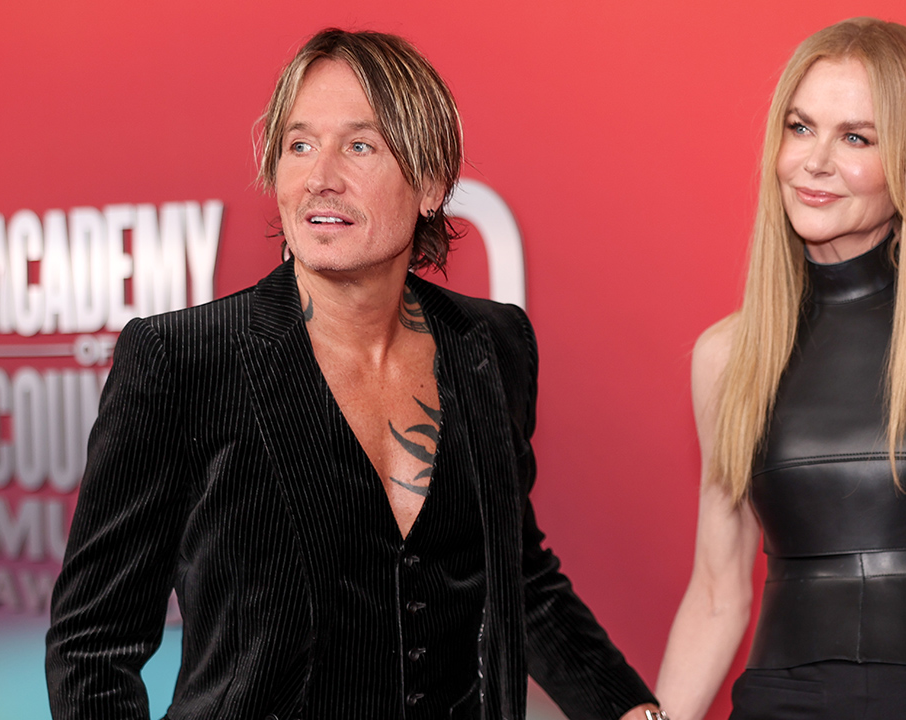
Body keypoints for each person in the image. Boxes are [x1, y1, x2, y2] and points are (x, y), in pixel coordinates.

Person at [46, 28, 662, 720]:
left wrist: (631, 708)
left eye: (359, 146)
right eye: (299, 145)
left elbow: (517, 574)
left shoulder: (493, 346)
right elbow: (91, 645)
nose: (320, 176)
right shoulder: (183, 362)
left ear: (431, 183)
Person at [654, 18, 906, 720]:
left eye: (856, 137)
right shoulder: (726, 356)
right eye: (800, 127)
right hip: (780, 705)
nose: (814, 161)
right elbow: (717, 593)